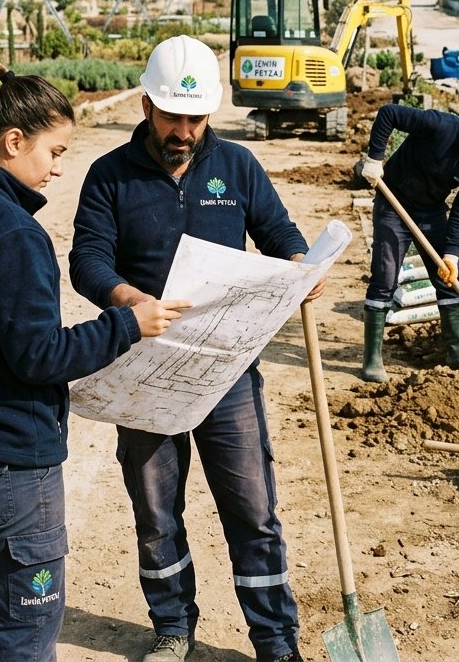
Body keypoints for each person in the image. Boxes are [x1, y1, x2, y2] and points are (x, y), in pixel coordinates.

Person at [0, 62, 189, 662]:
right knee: (20, 639)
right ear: (13, 141)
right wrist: (127, 324)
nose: (58, 168)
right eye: (55, 151)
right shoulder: (11, 233)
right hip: (4, 468)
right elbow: (39, 356)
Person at [69, 35, 321, 662]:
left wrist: (301, 265)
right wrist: (130, 299)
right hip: (144, 366)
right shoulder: (109, 176)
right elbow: (87, 259)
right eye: (171, 117)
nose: (183, 132)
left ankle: (275, 642)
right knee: (157, 513)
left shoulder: (236, 166)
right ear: (147, 106)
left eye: (195, 118)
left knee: (253, 509)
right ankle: (173, 626)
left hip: (226, 366)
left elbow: (279, 232)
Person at [358, 105, 459, 383]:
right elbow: (388, 114)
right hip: (393, 204)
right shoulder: (440, 125)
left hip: (430, 212)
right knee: (385, 277)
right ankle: (372, 360)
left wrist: (451, 253)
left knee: (448, 278)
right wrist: (375, 158)